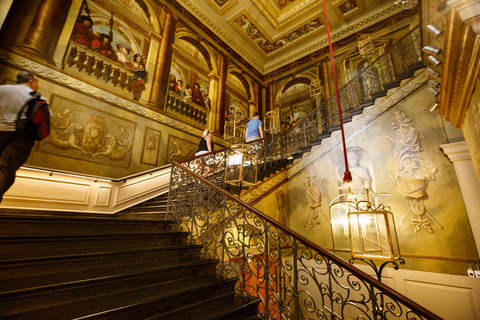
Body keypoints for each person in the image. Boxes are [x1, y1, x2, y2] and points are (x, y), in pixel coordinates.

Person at [0, 71, 47, 202]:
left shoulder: (3, 89)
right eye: (37, 82)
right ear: (31, 81)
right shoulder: (39, 98)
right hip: (21, 138)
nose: (37, 85)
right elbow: (46, 120)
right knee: (5, 170)